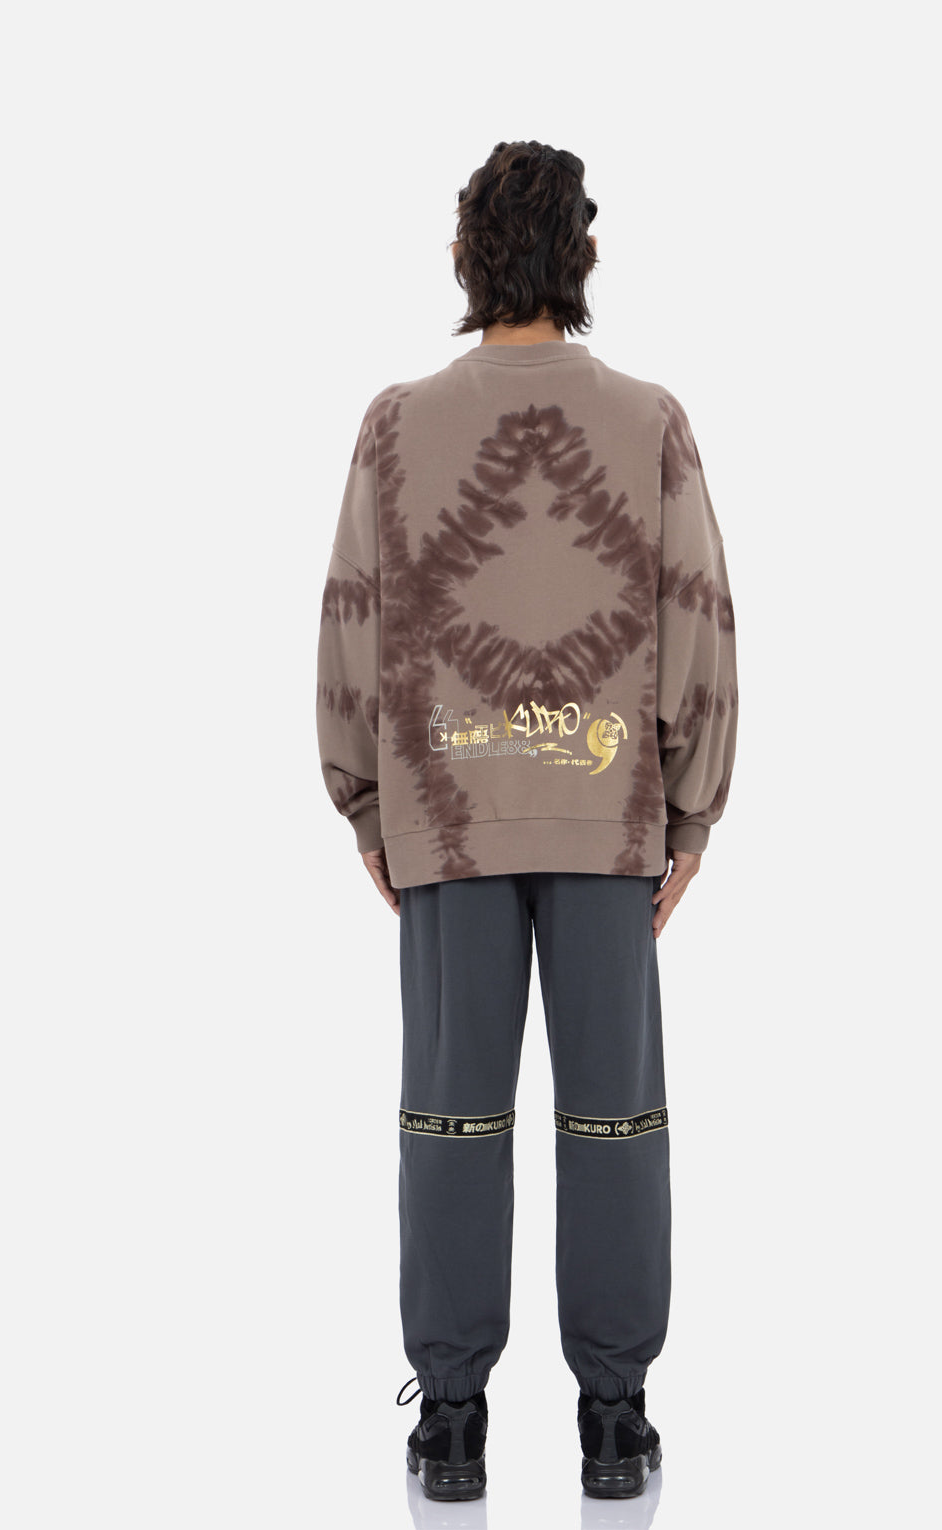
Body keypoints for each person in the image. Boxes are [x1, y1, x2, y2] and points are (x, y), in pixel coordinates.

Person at [315, 140, 739, 1503]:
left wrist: (368, 801)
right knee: (615, 1117)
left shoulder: (396, 425)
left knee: (451, 1116)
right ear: (585, 255)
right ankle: (615, 1419)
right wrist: (690, 811)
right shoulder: (651, 420)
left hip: (447, 814)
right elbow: (697, 616)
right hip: (609, 814)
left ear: (464, 256)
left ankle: (451, 1421)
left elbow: (354, 613)